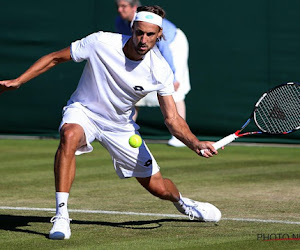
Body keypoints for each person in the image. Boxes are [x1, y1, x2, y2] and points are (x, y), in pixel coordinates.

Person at [0, 5, 221, 240]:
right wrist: (19, 80)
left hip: (120, 126)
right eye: (139, 32)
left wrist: (195, 143)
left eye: (149, 34)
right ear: (132, 29)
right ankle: (62, 215)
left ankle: (183, 203)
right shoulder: (100, 42)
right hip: (85, 111)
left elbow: (172, 118)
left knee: (159, 188)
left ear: (159, 35)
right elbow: (55, 58)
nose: (142, 39)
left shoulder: (160, 70)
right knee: (69, 135)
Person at [115, 0, 191, 147]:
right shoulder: (120, 22)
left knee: (175, 91)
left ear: (134, 7)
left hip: (173, 44)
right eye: (118, 6)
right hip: (148, 48)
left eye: (123, 6)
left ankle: (180, 137)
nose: (119, 10)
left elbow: (164, 49)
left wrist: (173, 77)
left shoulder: (152, 28)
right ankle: (126, 132)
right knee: (132, 88)